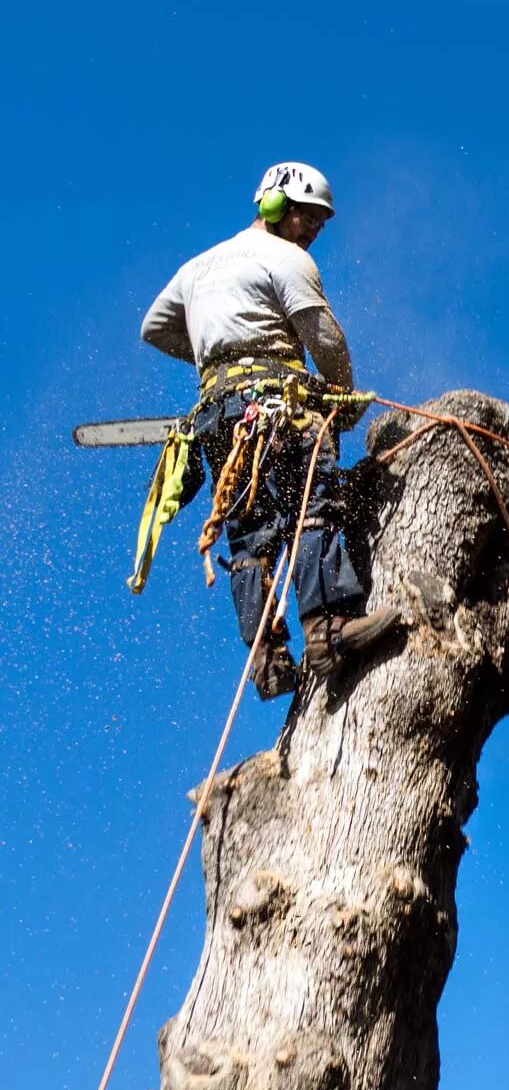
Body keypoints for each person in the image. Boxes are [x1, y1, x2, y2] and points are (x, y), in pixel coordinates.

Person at [140, 162, 398, 699]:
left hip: (220, 414)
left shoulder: (197, 268)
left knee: (251, 533)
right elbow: (323, 336)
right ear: (277, 205)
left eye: (319, 223)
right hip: (279, 408)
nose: (313, 230)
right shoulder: (285, 258)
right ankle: (327, 630)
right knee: (313, 502)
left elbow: (155, 328)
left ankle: (268, 660)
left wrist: (219, 350)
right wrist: (342, 395)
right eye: (307, 217)